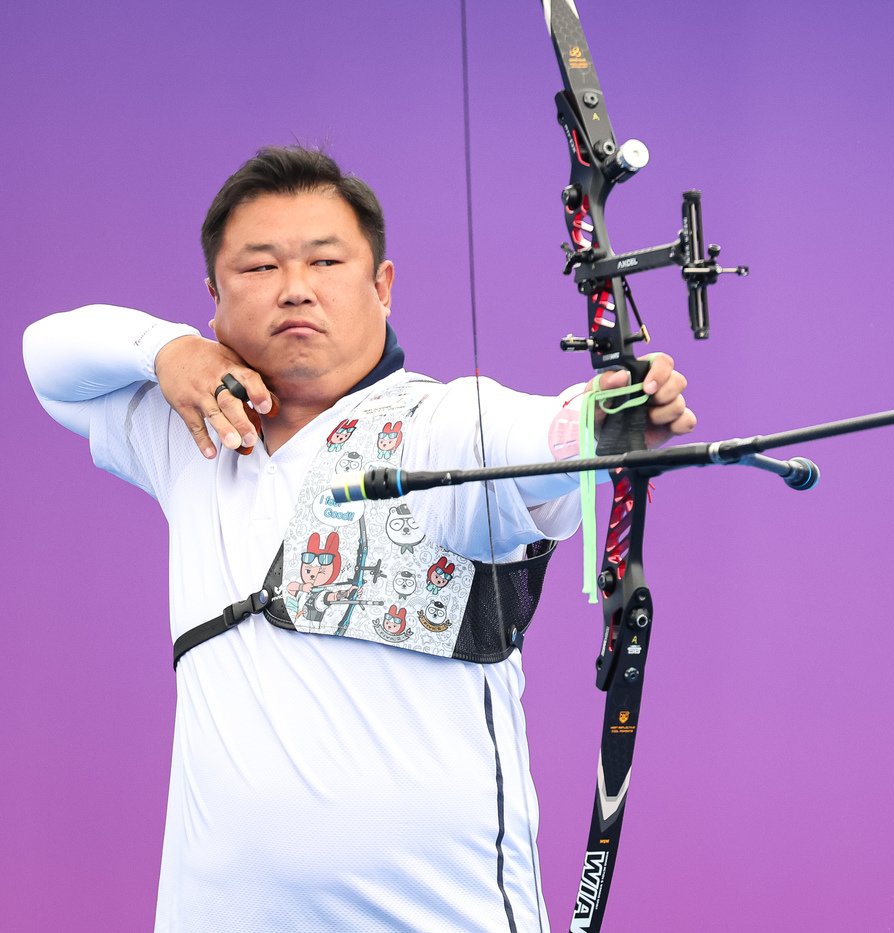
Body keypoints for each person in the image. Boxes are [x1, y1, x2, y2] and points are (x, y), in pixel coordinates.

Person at [21, 145, 695, 932]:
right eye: (259, 267)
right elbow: (47, 355)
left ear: (382, 287)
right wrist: (168, 352)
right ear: (213, 297)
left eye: (326, 260)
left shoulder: (438, 424)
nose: (296, 287)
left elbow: (527, 434)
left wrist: (597, 417)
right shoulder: (195, 434)